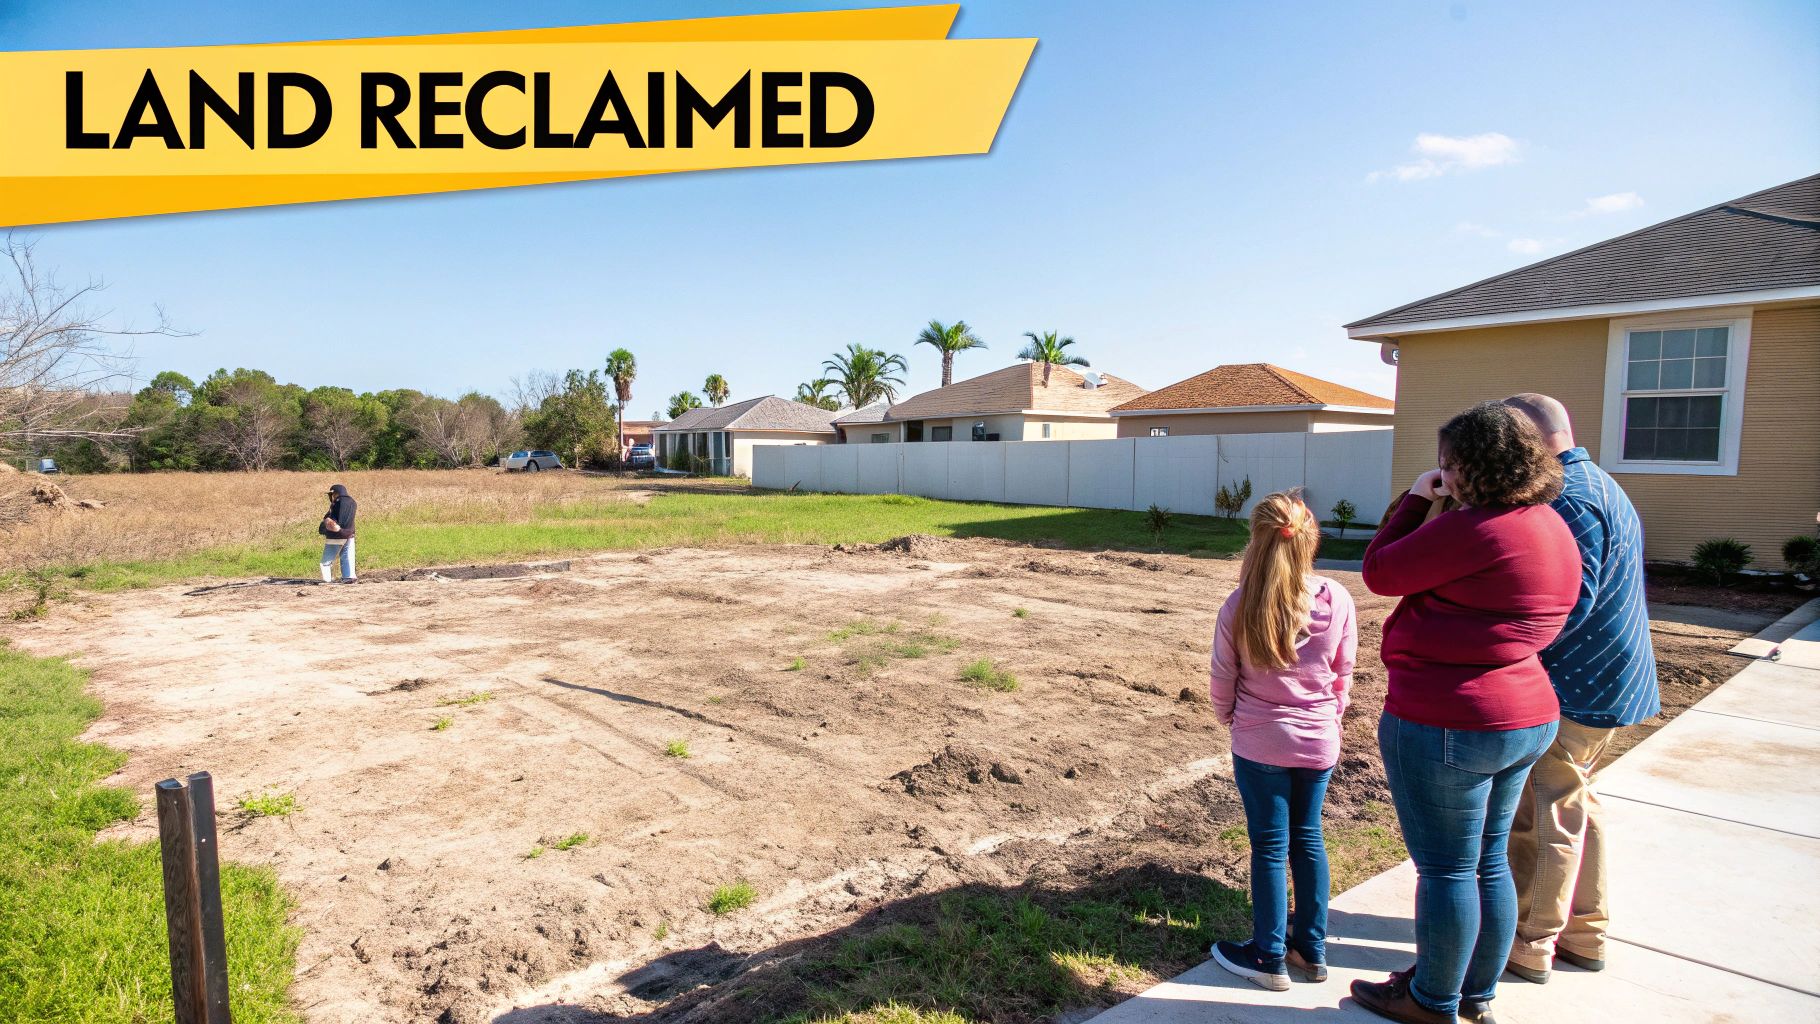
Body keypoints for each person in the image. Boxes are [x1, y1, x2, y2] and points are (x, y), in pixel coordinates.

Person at [1352, 402, 1581, 1024]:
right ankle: (1472, 993)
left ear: (1474, 466)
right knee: (1487, 860)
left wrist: (1411, 498)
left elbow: (1379, 571)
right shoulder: (1547, 522)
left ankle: (1431, 1001)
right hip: (1526, 712)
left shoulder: (1477, 528)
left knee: (1449, 870)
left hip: (1451, 720)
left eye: (1449, 464)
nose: (1444, 474)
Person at [1500, 393, 1659, 984]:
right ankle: (1585, 933)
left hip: (1577, 686)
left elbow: (1565, 603)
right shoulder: (1599, 485)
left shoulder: (1568, 500)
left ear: (1532, 440)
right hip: (1611, 680)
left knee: (1542, 820)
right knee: (1575, 806)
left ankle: (1530, 941)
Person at [1208, 491, 1358, 992]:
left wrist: (1230, 717)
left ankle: (1268, 956)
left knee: (1270, 846)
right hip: (1318, 741)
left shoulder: (1240, 603)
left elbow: (1222, 675)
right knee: (1308, 838)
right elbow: (1344, 671)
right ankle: (1310, 951)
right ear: (1310, 541)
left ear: (1255, 540)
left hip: (1259, 741)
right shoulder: (1336, 597)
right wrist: (1330, 716)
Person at [319, 483, 358, 584]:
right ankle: (349, 577)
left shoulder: (337, 502)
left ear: (334, 493)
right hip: (350, 534)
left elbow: (334, 520)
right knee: (347, 556)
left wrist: (327, 522)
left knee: (326, 562)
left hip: (336, 534)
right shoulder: (352, 502)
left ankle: (326, 580)